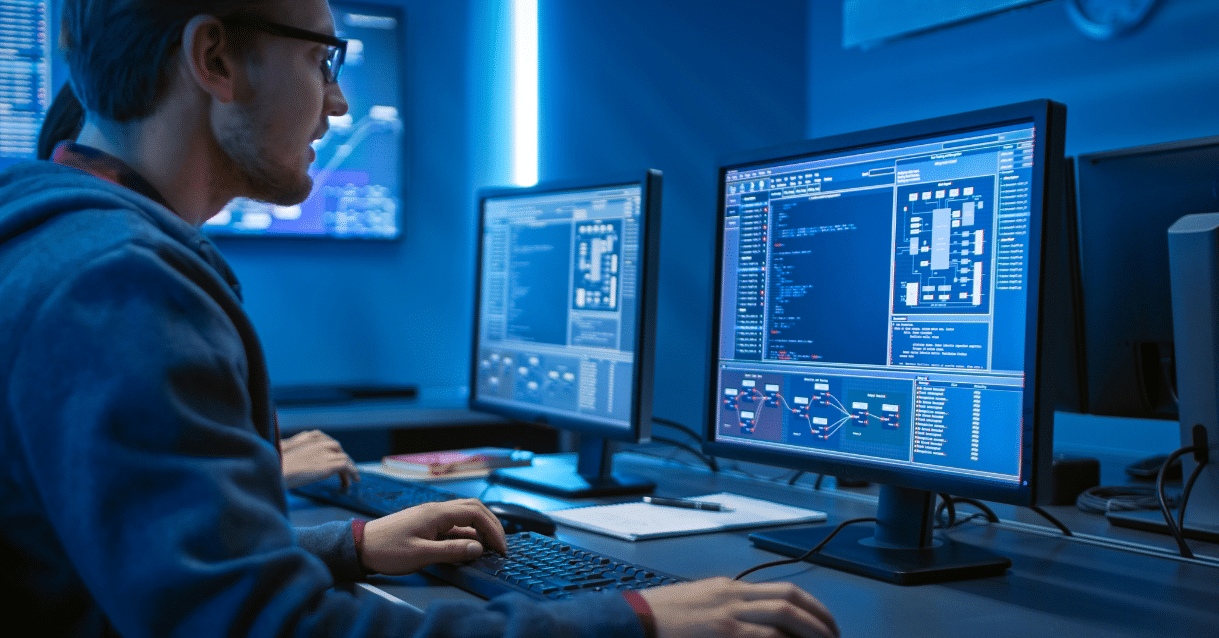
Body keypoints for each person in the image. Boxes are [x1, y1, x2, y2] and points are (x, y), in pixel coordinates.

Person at [0, 1, 841, 637]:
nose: (336, 103)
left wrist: (350, 549)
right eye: (325, 60)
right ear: (215, 58)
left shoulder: (58, 243)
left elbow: (152, 573)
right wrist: (634, 620)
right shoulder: (120, 287)